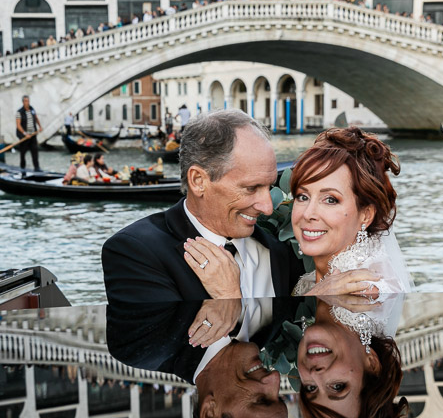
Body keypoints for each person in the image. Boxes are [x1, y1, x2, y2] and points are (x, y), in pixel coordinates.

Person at [286, 127, 411, 418]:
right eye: (303, 196)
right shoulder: (328, 280)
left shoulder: (367, 288)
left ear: (365, 214)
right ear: (370, 364)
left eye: (311, 390)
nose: (314, 375)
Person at [102, 109, 303, 303]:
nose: (268, 207)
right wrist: (228, 300)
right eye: (251, 188)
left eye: (269, 187)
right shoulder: (134, 252)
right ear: (198, 181)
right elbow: (156, 337)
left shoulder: (279, 253)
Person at [106, 298, 292, 418]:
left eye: (261, 400)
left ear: (210, 413)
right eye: (280, 398)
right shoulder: (282, 321)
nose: (274, 378)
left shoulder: (140, 342)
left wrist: (224, 292)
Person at [16, 95, 42, 171]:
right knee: (23, 154)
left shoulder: (32, 109)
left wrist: (40, 126)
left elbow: (36, 118)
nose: (27, 103)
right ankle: (22, 169)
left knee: (35, 152)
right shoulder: (19, 112)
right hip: (24, 137)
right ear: (23, 102)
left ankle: (37, 168)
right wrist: (25, 134)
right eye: (26, 101)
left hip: (33, 135)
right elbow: (18, 125)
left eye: (28, 101)